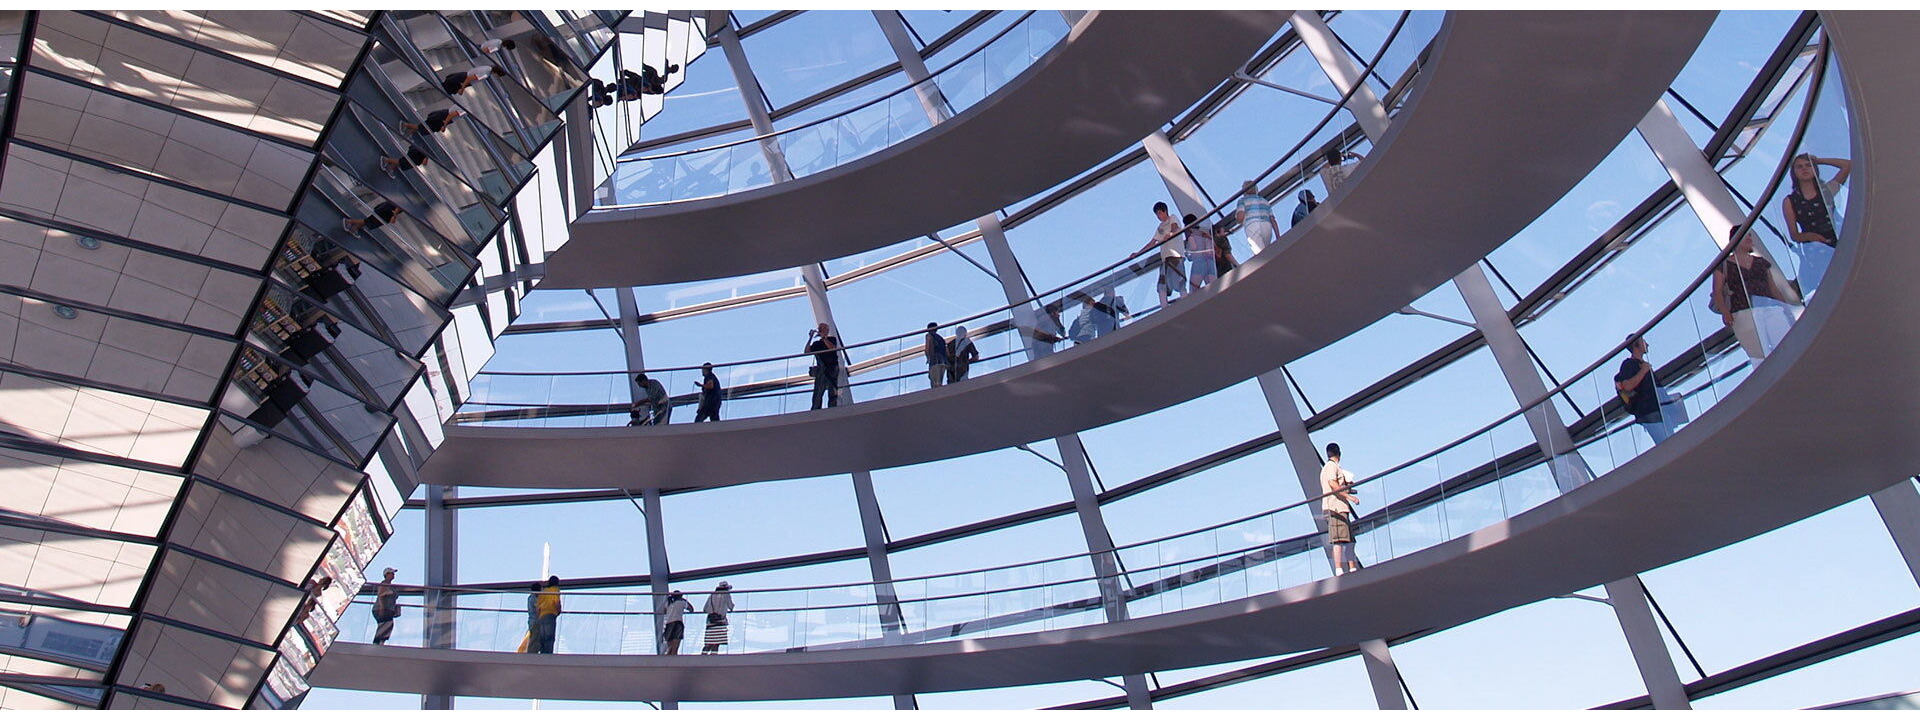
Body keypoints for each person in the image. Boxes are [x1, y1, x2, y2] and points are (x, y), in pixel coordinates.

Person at [1713, 226, 1797, 360]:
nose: (1750, 239)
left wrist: (1784, 307)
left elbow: (1773, 289)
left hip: (1770, 308)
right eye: (1747, 236)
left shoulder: (1761, 262)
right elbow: (1717, 291)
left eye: (1750, 236)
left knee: (1785, 344)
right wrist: (1725, 313)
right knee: (1758, 354)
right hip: (1743, 312)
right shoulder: (1723, 264)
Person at [1780, 153, 1850, 299]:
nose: (1804, 169)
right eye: (1799, 167)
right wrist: (1811, 236)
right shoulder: (1790, 201)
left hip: (1840, 239)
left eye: (1808, 165)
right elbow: (1794, 235)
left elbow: (1847, 165)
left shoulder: (1826, 190)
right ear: (1794, 172)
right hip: (1817, 249)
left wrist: (1820, 160)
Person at [1614, 334, 1670, 445]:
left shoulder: (1642, 365)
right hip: (1649, 413)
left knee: (1672, 442)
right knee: (1667, 444)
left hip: (1658, 410)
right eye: (1643, 341)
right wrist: (1643, 371)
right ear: (1636, 344)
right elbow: (1627, 386)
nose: (1647, 344)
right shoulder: (1629, 364)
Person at [1320, 443, 1361, 575]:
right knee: (1339, 539)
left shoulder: (1330, 468)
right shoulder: (1331, 467)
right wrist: (1350, 497)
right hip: (1335, 508)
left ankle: (1352, 566)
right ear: (1339, 453)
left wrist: (1349, 489)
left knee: (1348, 539)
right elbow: (1333, 484)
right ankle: (1339, 569)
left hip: (1338, 507)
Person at [1138, 202, 1185, 308]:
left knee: (1179, 281)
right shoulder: (1160, 227)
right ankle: (1164, 307)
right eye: (1157, 214)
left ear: (1165, 211)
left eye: (1159, 213)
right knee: (1162, 285)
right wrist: (1138, 253)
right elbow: (1152, 242)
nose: (1158, 216)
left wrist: (1171, 234)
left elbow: (1175, 227)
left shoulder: (1172, 218)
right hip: (1166, 258)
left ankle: (1184, 299)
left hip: (1176, 255)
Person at [805, 324, 843, 409]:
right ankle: (816, 409)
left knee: (832, 389)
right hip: (821, 369)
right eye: (820, 329)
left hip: (831, 368)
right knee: (818, 390)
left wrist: (824, 338)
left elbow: (832, 348)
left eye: (823, 329)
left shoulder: (832, 339)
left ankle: (832, 407)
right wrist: (810, 338)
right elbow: (806, 351)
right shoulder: (816, 344)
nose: (821, 330)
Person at [1237, 180, 1278, 253]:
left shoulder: (1243, 200)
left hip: (1252, 225)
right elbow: (1273, 220)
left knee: (1260, 253)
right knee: (1267, 250)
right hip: (1267, 226)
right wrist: (1278, 236)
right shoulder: (1264, 201)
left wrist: (1237, 219)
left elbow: (1240, 217)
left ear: (1244, 190)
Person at [527, 576, 561, 654]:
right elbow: (556, 602)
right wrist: (558, 611)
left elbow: (538, 607)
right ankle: (546, 654)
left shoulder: (543, 593)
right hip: (548, 615)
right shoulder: (555, 590)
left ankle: (541, 652)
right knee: (548, 637)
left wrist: (540, 615)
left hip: (541, 617)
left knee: (542, 637)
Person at [1183, 213, 1217, 293]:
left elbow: (1192, 251)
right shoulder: (1204, 233)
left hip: (1199, 263)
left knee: (1193, 290)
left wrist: (1186, 250)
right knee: (1214, 289)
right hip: (1211, 263)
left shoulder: (1191, 236)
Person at [701, 581, 734, 655]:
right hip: (720, 621)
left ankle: (702, 657)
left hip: (710, 621)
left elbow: (705, 609)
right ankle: (713, 658)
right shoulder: (726, 595)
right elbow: (730, 606)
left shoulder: (712, 595)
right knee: (716, 643)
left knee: (708, 643)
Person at [659, 589, 694, 655]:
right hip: (677, 623)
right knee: (675, 648)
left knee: (670, 647)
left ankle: (667, 662)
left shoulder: (668, 603)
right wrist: (685, 600)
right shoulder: (682, 602)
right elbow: (691, 609)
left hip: (668, 624)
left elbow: (664, 611)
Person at [371, 567, 400, 645]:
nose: (393, 575)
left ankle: (380, 642)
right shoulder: (384, 584)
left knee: (387, 624)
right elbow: (380, 595)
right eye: (391, 573)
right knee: (386, 624)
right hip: (382, 608)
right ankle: (378, 642)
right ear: (386, 574)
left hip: (388, 609)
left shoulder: (391, 586)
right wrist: (382, 607)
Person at [440, 64, 505, 95]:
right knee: (446, 89)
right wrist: (462, 89)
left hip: (463, 75)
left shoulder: (487, 67)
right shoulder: (485, 74)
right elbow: (470, 79)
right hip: (462, 80)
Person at [400, 107, 465, 137]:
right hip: (443, 118)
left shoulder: (464, 108)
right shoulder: (465, 109)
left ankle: (409, 131)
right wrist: (444, 125)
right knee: (425, 128)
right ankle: (406, 125)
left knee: (425, 127)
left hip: (442, 116)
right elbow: (452, 115)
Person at [923, 322, 950, 388]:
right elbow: (947, 352)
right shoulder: (941, 338)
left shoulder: (929, 335)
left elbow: (927, 348)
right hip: (943, 361)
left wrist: (928, 358)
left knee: (935, 382)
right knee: (940, 381)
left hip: (934, 361)